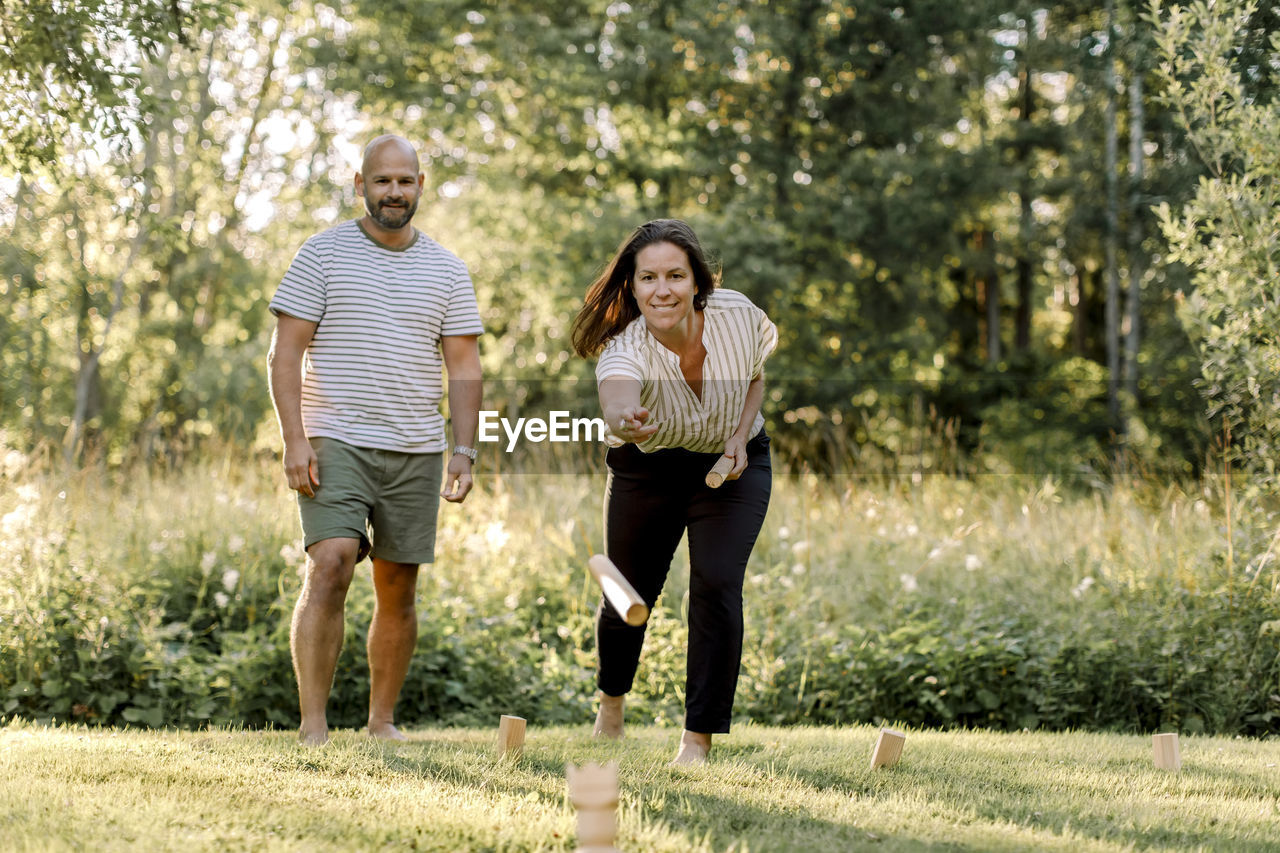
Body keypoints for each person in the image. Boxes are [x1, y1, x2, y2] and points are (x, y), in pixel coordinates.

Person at [267, 134, 484, 745]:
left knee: (398, 587)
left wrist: (463, 450)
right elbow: (285, 355)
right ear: (360, 186)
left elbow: (465, 369)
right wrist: (294, 439)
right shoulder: (322, 254)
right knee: (331, 564)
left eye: (405, 181)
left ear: (420, 186)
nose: (395, 192)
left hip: (416, 446)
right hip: (334, 437)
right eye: (382, 181)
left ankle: (380, 721)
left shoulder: (446, 268)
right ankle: (313, 724)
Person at [570, 218, 777, 764]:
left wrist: (737, 437)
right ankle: (611, 702)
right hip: (648, 468)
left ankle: (697, 740)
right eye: (648, 278)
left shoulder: (737, 315)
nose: (662, 290)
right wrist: (626, 418)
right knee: (627, 594)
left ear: (697, 281)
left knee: (716, 581)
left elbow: (755, 377)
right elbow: (616, 399)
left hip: (733, 465)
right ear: (632, 287)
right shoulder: (625, 347)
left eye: (675, 276)